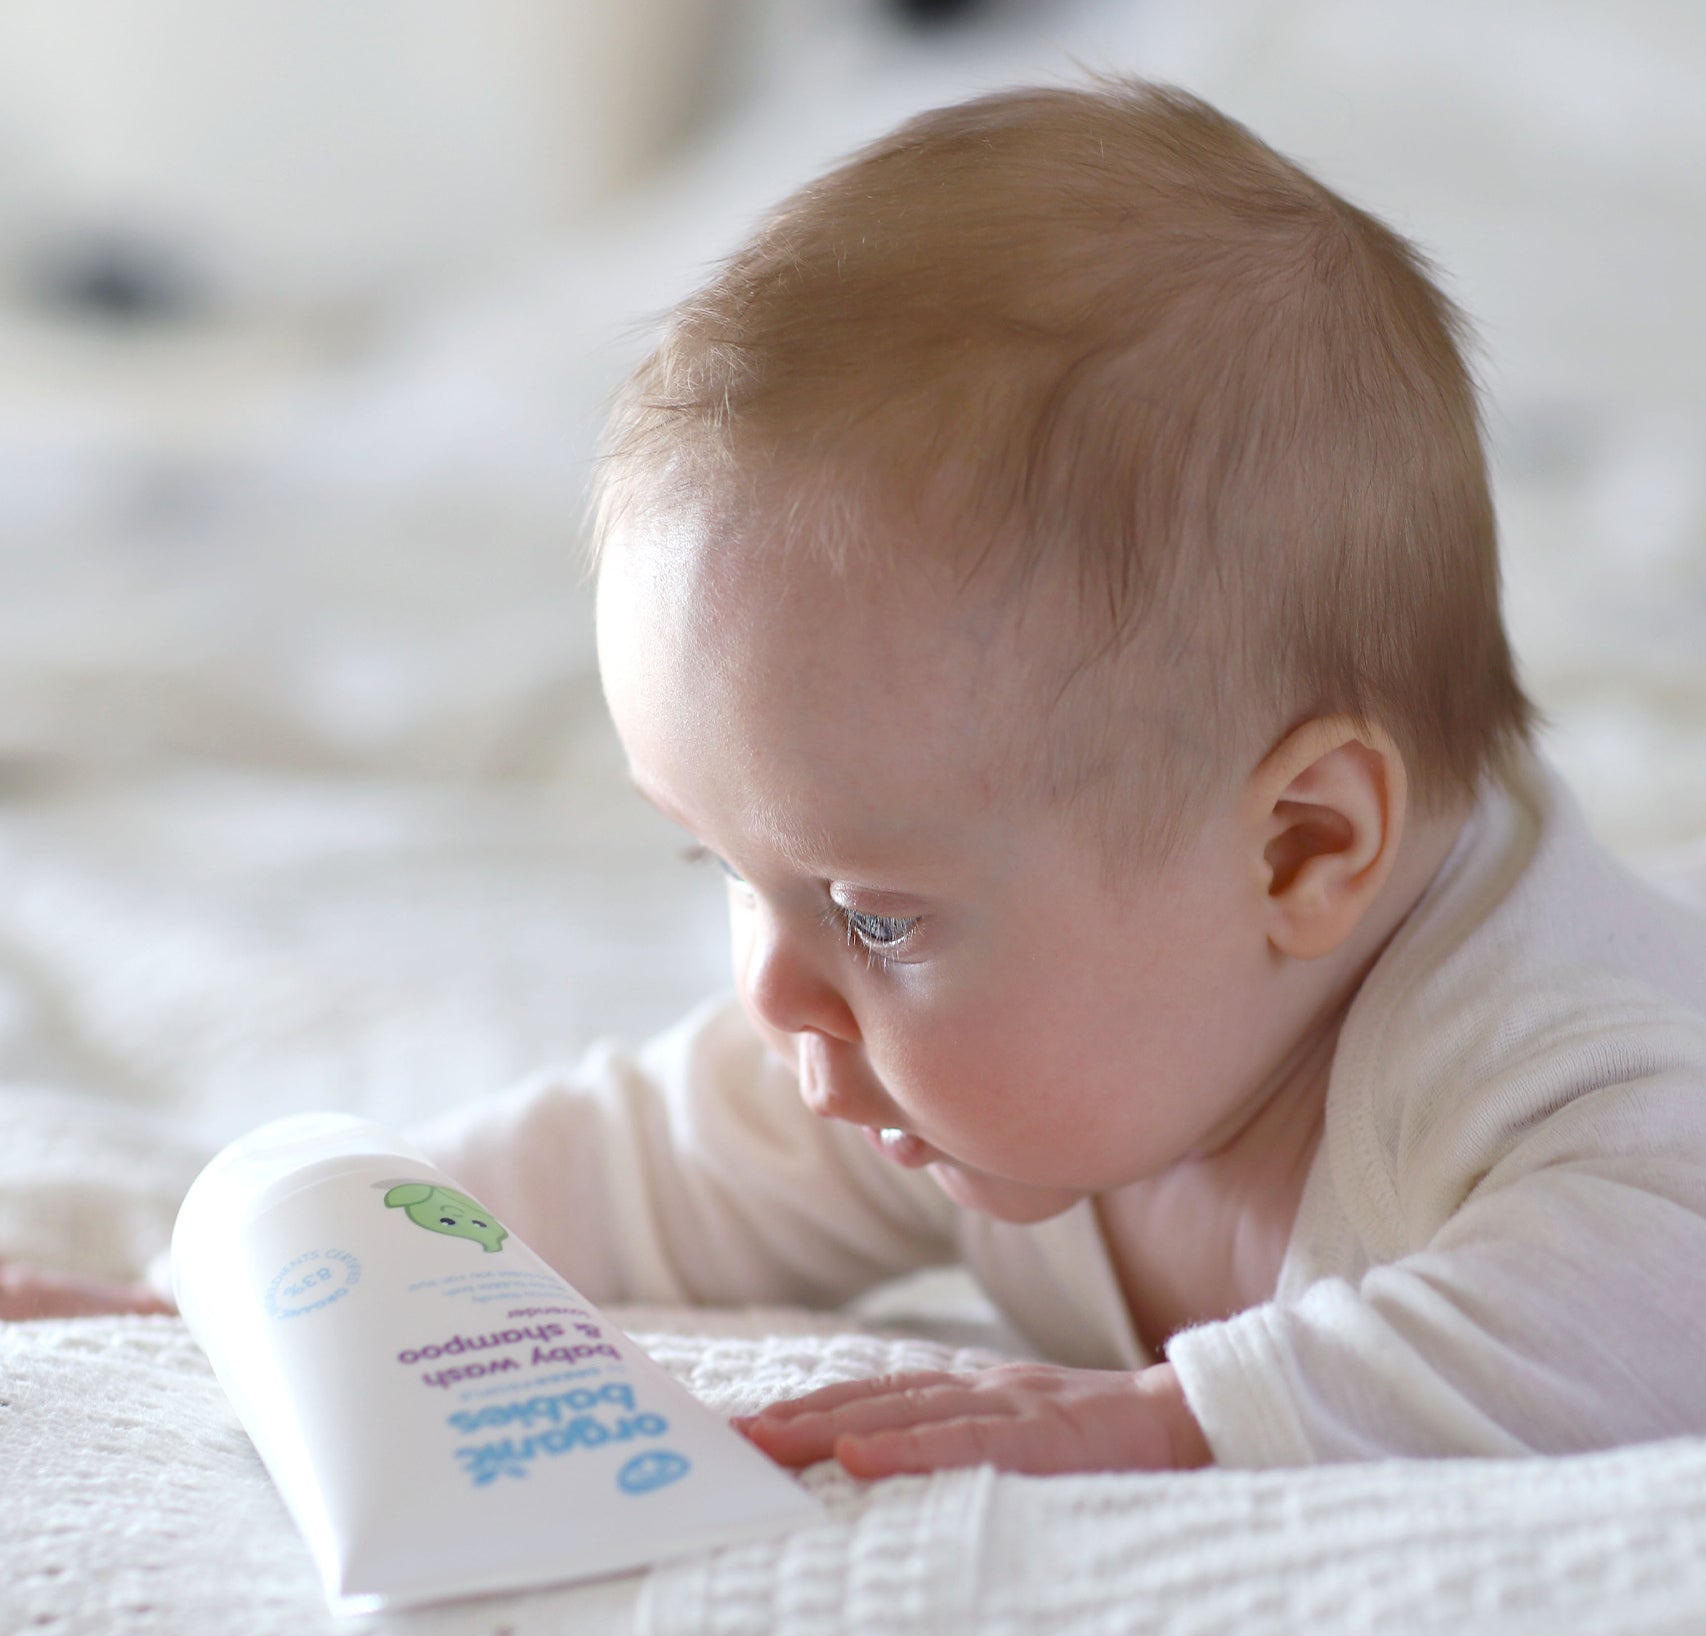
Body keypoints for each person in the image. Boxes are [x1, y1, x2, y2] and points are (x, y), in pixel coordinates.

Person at [17, 81, 1706, 1481]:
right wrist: (259, 1297)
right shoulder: (941, 1048)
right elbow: (637, 1166)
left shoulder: (1539, 1059)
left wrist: (1185, 1420)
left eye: (875, 916)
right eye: (724, 873)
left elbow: (1659, 1294)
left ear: (1300, 850)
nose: (774, 991)